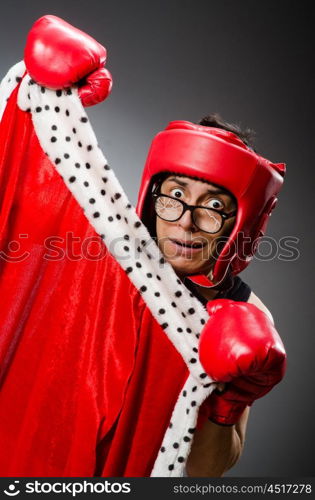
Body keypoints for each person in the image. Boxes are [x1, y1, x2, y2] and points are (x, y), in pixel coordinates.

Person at [0, 15, 286, 477]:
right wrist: (41, 92)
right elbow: (23, 203)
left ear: (243, 221)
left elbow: (206, 472)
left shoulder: (245, 313)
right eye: (175, 197)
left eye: (213, 205)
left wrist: (226, 404)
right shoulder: (107, 251)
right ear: (152, 197)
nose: (187, 222)